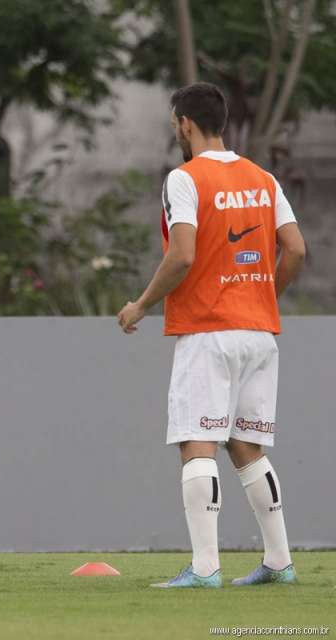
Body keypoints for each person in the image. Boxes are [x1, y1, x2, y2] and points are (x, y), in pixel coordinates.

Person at [117, 82, 306, 588]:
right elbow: (295, 249)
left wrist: (141, 304)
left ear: (185, 123)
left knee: (196, 442)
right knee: (247, 447)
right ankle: (279, 562)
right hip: (259, 334)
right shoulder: (263, 178)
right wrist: (263, 296)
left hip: (208, 331)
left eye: (174, 124)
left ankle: (204, 568)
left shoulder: (185, 179)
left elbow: (181, 255)